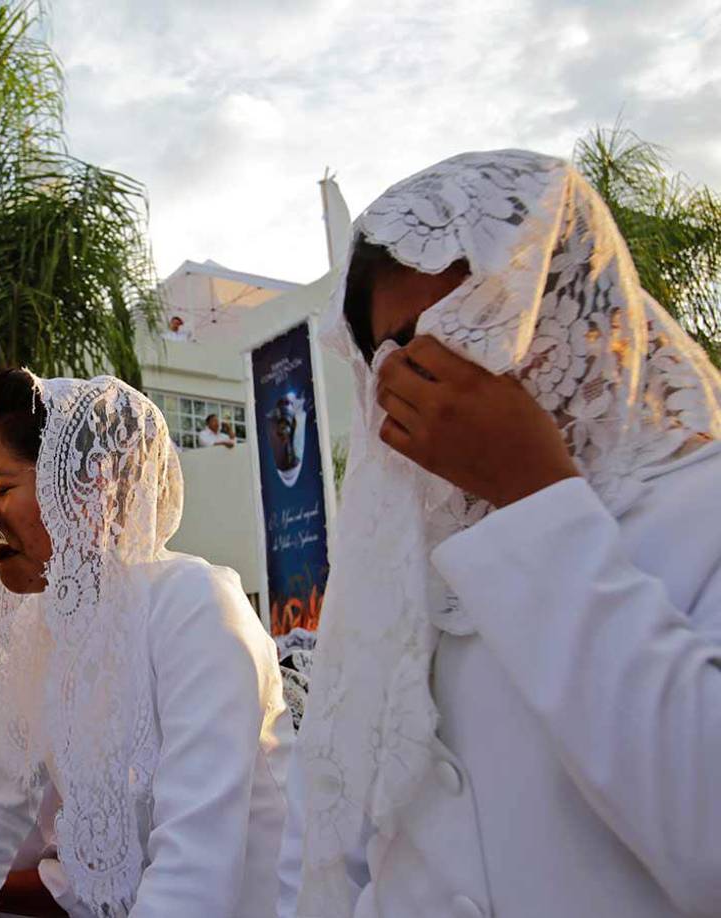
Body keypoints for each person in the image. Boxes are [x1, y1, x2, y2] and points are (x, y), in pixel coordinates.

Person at [282, 150, 721, 918]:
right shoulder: (402, 552)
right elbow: (346, 836)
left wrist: (534, 496)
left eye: (474, 326)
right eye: (403, 351)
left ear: (568, 312)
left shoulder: (701, 499)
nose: (437, 376)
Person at [0, 369, 294, 918]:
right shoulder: (42, 628)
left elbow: (197, 854)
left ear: (87, 489)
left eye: (2, 487)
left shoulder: (196, 605)